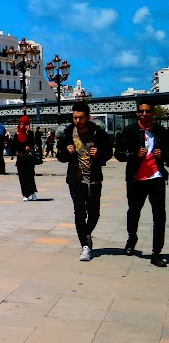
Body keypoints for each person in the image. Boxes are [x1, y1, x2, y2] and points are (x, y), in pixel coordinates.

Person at [56, 101, 113, 261]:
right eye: (75, 118)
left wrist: (99, 153)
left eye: (81, 118)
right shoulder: (67, 133)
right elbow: (60, 156)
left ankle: (86, 234)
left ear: (88, 117)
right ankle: (85, 246)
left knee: (94, 213)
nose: (78, 121)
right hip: (76, 179)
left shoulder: (98, 133)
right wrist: (66, 152)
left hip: (94, 179)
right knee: (80, 213)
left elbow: (109, 153)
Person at [114, 99, 168, 267]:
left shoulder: (162, 132)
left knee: (159, 216)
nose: (144, 114)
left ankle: (156, 253)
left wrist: (163, 155)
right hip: (136, 180)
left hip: (156, 179)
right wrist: (134, 154)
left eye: (147, 111)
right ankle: (131, 240)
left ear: (153, 113)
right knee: (134, 212)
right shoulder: (130, 131)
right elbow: (119, 154)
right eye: (141, 111)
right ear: (137, 113)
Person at [12, 116, 38, 201]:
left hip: (29, 159)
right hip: (20, 159)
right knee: (22, 177)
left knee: (30, 176)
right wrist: (23, 147)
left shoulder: (30, 134)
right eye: (21, 124)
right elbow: (14, 146)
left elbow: (32, 144)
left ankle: (33, 192)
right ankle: (25, 194)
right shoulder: (17, 135)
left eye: (24, 124)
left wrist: (27, 134)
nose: (22, 126)